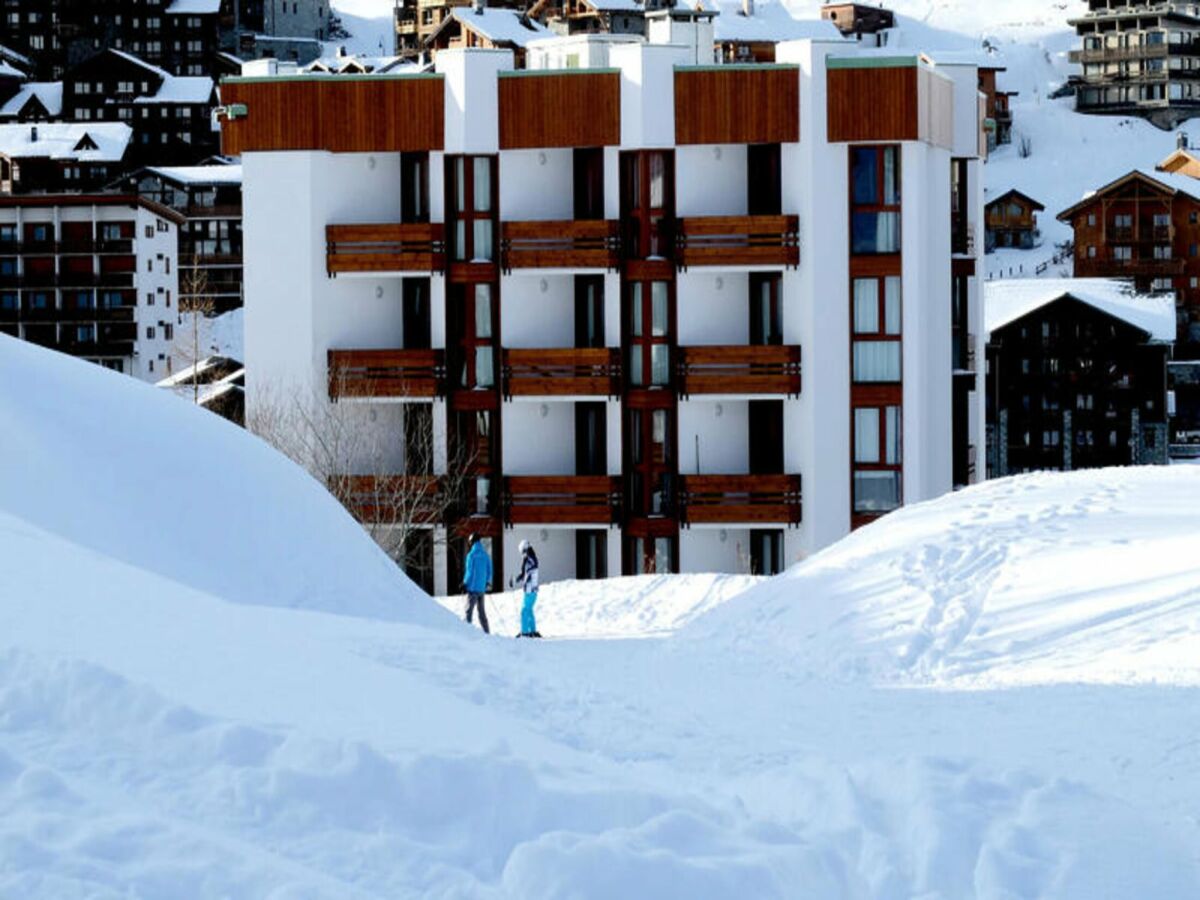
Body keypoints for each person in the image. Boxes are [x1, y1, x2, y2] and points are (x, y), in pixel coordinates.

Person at [461, 534, 491, 634]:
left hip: (472, 589)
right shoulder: (485, 555)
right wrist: (487, 582)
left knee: (468, 612)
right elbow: (489, 570)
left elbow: (469, 571)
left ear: (472, 542)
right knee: (481, 612)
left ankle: (467, 633)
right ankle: (487, 632)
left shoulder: (471, 555)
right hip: (481, 589)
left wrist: (465, 583)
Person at [516, 539, 540, 638]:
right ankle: (532, 630)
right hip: (531, 590)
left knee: (524, 611)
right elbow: (526, 572)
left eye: (522, 552)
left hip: (530, 589)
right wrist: (520, 577)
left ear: (525, 549)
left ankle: (525, 632)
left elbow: (531, 570)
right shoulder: (530, 558)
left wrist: (525, 577)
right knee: (529, 610)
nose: (522, 554)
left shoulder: (531, 559)